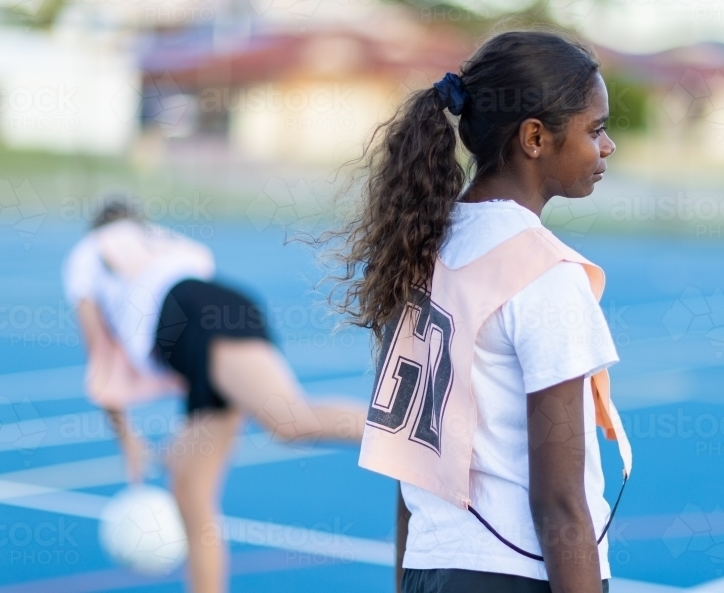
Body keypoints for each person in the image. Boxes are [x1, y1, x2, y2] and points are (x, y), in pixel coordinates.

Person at [328, 30, 631, 593]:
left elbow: (410, 467)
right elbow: (560, 505)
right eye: (596, 129)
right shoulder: (546, 274)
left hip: (429, 566)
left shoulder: (417, 249)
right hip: (513, 575)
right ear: (535, 138)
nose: (607, 146)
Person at [63, 197, 366, 593]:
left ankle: (412, 435)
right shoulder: (166, 242)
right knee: (190, 490)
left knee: (291, 422)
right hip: (204, 321)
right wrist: (188, 432)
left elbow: (101, 362)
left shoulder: (85, 255)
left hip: (196, 322)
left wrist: (127, 440)